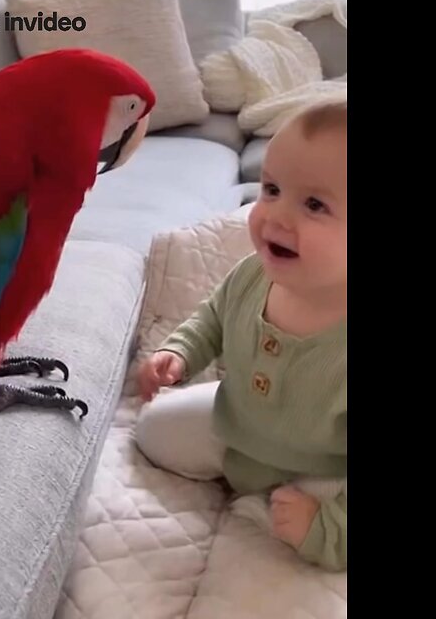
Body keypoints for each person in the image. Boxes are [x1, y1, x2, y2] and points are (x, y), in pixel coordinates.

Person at [133, 98, 347, 571]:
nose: (276, 216)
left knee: (314, 525)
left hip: (326, 465)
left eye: (314, 204)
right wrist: (181, 352)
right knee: (151, 430)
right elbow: (213, 315)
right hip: (238, 422)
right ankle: (250, 475)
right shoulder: (253, 273)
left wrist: (324, 527)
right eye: (271, 189)